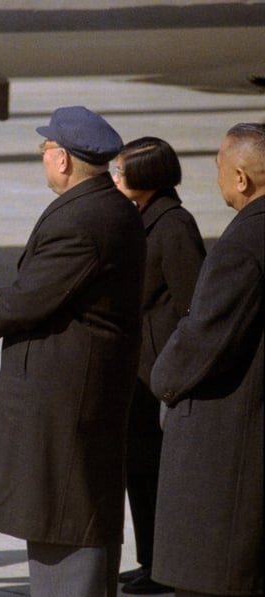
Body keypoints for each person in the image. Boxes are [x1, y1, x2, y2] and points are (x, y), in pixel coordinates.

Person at [0, 106, 145, 596]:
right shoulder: (104, 207)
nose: (43, 157)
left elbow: (34, 294)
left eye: (46, 149)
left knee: (65, 523)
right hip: (77, 395)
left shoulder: (84, 220)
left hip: (67, 402)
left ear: (63, 160)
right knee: (67, 516)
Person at [149, 122, 264, 597]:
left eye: (218, 166)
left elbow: (205, 335)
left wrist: (164, 382)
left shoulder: (241, 245)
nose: (215, 176)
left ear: (241, 178)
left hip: (226, 446)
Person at [111, 137, 205, 595]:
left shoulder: (174, 226)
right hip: (138, 372)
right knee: (139, 470)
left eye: (121, 170)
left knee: (157, 473)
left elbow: (196, 305)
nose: (114, 176)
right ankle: (150, 558)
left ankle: (165, 567)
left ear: (146, 178)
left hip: (160, 371)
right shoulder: (142, 218)